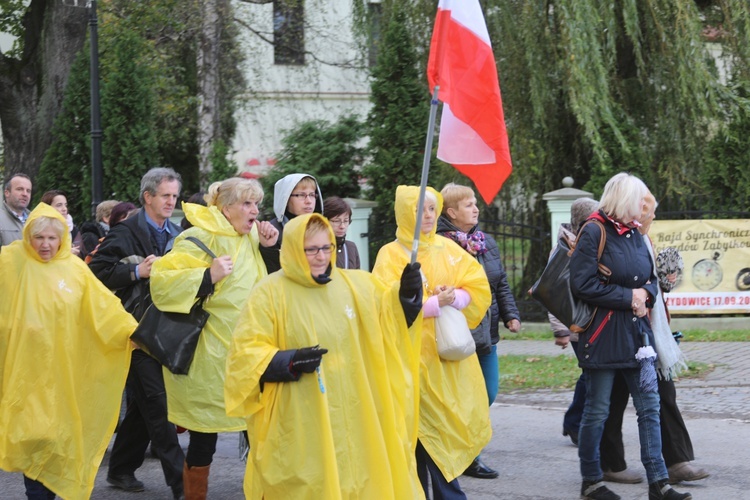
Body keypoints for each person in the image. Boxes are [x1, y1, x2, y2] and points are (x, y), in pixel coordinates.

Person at [224, 213, 424, 499]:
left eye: (327, 247)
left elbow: (390, 325)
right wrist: (289, 361)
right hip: (300, 417)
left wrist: (406, 295)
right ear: (293, 249)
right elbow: (243, 356)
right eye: (312, 249)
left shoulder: (358, 285)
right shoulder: (268, 293)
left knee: (355, 478)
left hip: (355, 413)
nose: (321, 256)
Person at [150, 177, 279, 499]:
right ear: (226, 208)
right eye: (247, 204)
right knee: (204, 439)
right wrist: (207, 276)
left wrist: (270, 248)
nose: (255, 211)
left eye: (257, 204)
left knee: (260, 434)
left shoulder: (251, 237)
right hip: (208, 358)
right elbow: (163, 284)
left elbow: (272, 283)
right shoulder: (197, 236)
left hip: (248, 355)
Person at [0, 203, 136, 499]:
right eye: (39, 238)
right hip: (25, 372)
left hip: (64, 372)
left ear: (62, 239)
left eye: (52, 238)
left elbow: (102, 308)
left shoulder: (74, 270)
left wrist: (130, 330)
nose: (46, 245)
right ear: (28, 237)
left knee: (58, 439)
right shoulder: (10, 262)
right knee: (34, 437)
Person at [570, 172, 691, 500]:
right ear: (624, 199)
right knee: (597, 410)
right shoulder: (593, 231)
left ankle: (659, 482)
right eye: (640, 200)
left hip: (639, 339)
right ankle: (592, 481)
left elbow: (651, 280)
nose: (644, 206)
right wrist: (629, 298)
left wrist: (646, 296)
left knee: (650, 407)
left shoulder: (637, 234)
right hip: (602, 336)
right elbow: (581, 284)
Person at [373, 185, 492, 499]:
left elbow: (477, 287)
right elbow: (384, 307)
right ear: (403, 213)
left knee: (441, 434)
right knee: (412, 443)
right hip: (406, 364)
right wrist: (433, 305)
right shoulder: (390, 255)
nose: (427, 216)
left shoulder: (448, 249)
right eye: (418, 209)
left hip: (443, 365)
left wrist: (455, 297)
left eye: (430, 209)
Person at [88, 167, 185, 499]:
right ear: (148, 197)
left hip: (168, 329)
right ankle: (183, 484)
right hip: (134, 332)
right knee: (158, 405)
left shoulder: (177, 232)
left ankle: (120, 469)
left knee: (147, 404)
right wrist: (135, 270)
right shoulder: (125, 231)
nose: (172, 201)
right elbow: (95, 272)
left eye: (175, 195)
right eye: (166, 195)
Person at [550, 198, 644, 484]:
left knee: (592, 386)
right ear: (585, 219)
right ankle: (590, 467)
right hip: (585, 327)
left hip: (601, 326)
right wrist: (562, 330)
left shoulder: (598, 238)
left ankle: (572, 422)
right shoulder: (572, 245)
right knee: (595, 392)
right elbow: (557, 288)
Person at [437, 183, 521, 480]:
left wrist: (510, 314)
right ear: (451, 212)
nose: (476, 208)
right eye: (468, 204)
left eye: (475, 203)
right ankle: (468, 456)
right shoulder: (440, 245)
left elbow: (500, 284)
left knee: (488, 391)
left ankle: (463, 445)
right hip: (458, 335)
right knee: (462, 399)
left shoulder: (485, 242)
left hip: (487, 333)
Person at [638, 192, 709, 485]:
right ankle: (602, 464)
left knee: (664, 394)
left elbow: (649, 285)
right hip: (627, 333)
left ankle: (676, 462)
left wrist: (664, 281)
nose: (653, 217)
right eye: (650, 212)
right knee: (606, 403)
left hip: (651, 333)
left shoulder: (643, 239)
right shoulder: (623, 238)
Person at [259, 173, 323, 273]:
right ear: (286, 198)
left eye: (312, 195)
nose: (309, 201)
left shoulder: (321, 229)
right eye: (301, 195)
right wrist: (270, 249)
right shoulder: (271, 232)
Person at [40, 190, 84, 256]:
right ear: (47, 207)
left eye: (65, 205)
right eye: (59, 205)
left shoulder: (73, 229)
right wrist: (65, 253)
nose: (64, 209)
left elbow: (81, 253)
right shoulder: (40, 228)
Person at [323, 196, 360, 269]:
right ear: (325, 221)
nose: (342, 226)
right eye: (336, 221)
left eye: (346, 221)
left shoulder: (351, 247)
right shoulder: (316, 248)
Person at [0, 173, 32, 247]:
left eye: (28, 191)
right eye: (20, 189)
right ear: (7, 193)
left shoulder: (35, 219)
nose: (25, 194)